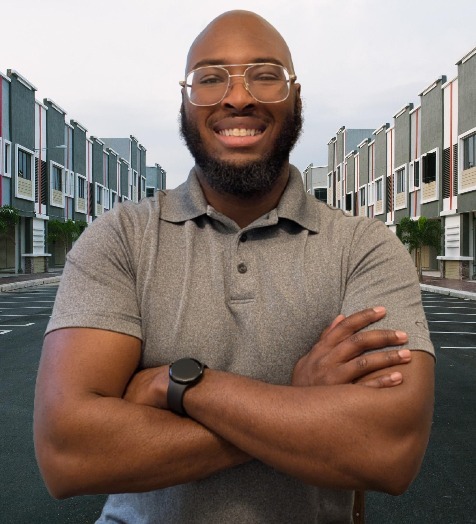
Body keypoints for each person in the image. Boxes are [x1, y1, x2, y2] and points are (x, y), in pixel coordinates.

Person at [34, 10, 435, 524]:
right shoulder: (120, 238)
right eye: (210, 78)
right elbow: (69, 456)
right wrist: (299, 402)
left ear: (295, 97)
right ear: (185, 100)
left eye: (265, 75)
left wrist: (176, 386)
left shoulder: (365, 247)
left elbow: (388, 451)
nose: (239, 96)